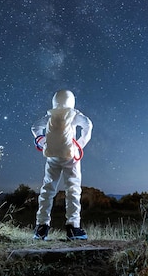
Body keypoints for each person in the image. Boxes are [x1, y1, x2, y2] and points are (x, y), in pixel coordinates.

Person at [31, 89, 93, 241]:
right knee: (73, 190)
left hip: (52, 156)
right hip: (70, 157)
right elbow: (88, 125)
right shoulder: (74, 114)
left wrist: (44, 142)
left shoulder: (51, 115)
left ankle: (41, 228)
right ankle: (73, 227)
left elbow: (35, 127)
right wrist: (79, 145)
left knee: (47, 190)